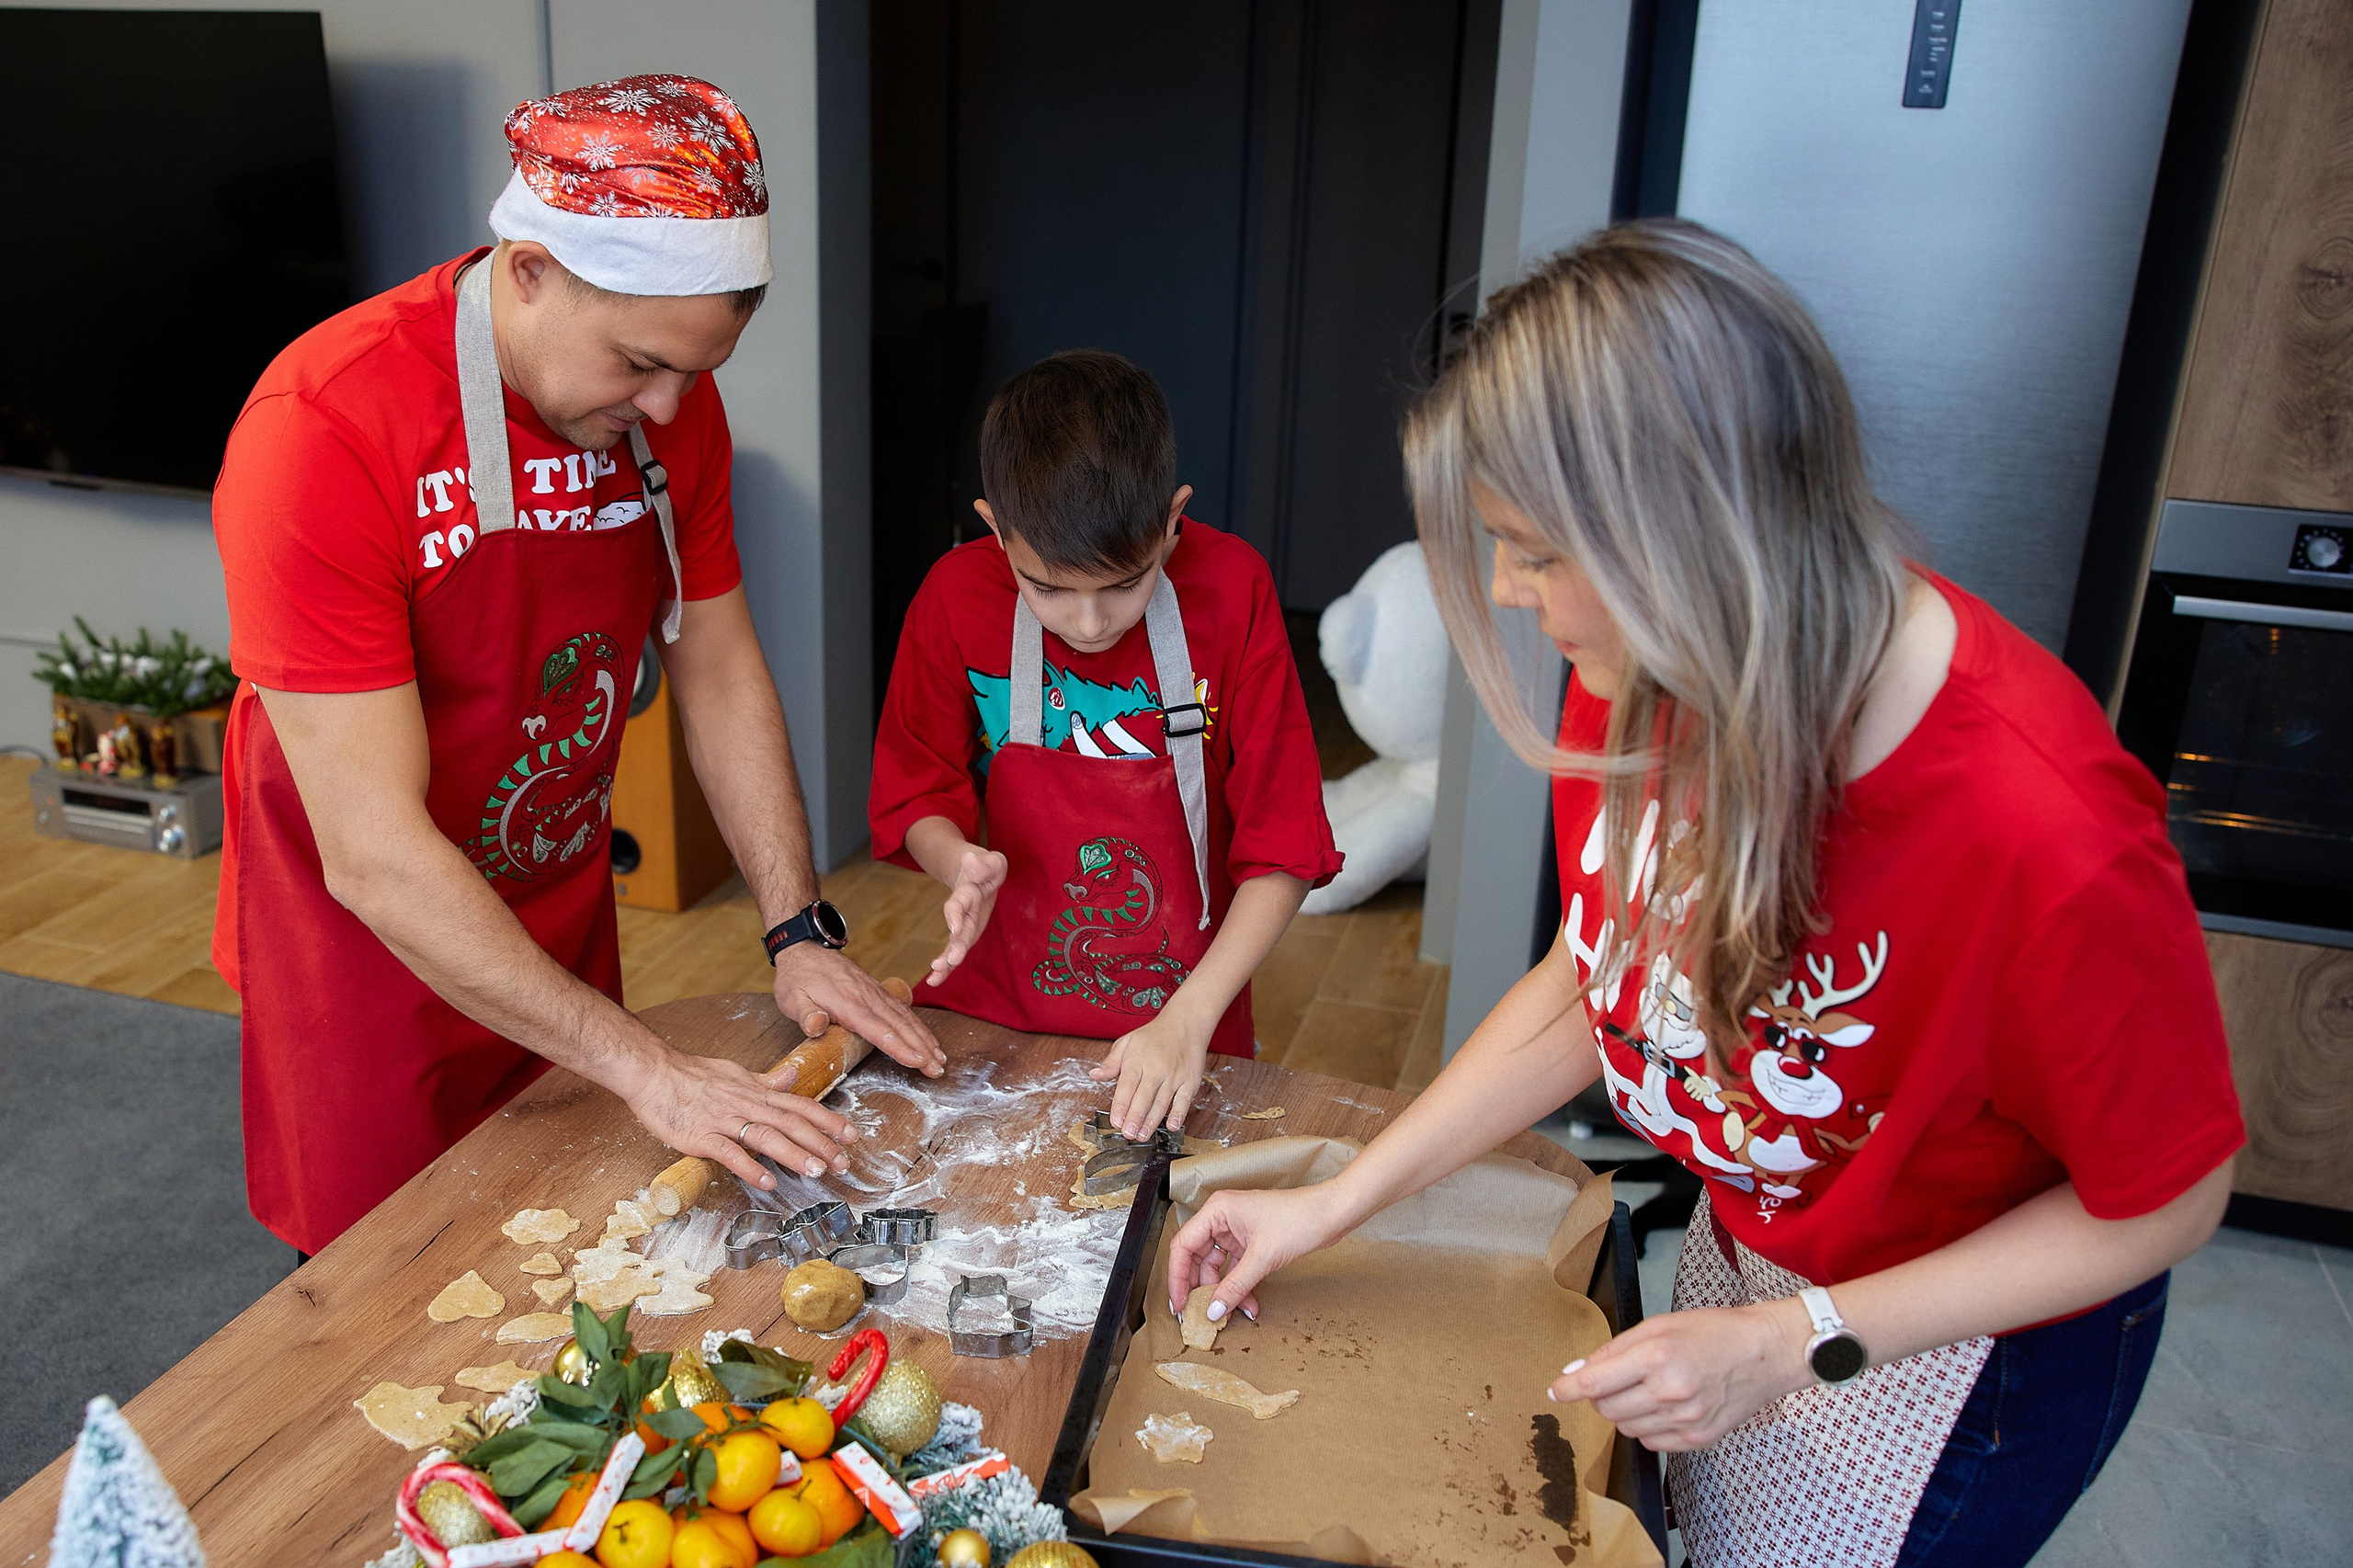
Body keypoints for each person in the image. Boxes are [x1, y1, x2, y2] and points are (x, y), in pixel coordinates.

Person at [1166, 222, 2245, 1568]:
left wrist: (1797, 1338)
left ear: (1684, 532)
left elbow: (2166, 1200)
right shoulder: (1649, 654)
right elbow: (1600, 969)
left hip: (1962, 1338)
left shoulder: (2041, 828)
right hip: (1770, 1233)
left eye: (1533, 549)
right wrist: (1335, 1198)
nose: (1507, 592)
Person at [211, 75, 943, 1258]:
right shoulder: (325, 429)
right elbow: (374, 852)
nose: (665, 406)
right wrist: (647, 1067)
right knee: (384, 1290)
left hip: (550, 918)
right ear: (531, 266)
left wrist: (795, 924)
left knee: (562, 1260)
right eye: (639, 363)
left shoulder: (665, 410)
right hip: (362, 954)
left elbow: (714, 659)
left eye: (694, 376)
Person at [870, 351, 1341, 1142]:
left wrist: (1189, 1019)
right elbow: (914, 792)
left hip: (1184, 1025)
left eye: (1126, 582)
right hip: (996, 1016)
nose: (1089, 626)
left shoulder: (1233, 592)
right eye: (1047, 587)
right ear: (995, 529)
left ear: (1172, 519)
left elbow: (1285, 846)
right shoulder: (954, 597)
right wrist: (957, 860)